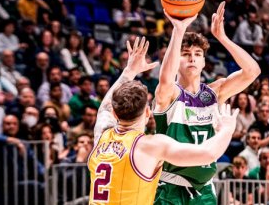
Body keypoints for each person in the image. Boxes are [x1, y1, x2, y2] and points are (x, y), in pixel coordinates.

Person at [89, 37, 240, 205]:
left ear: (115, 114)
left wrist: (129, 71)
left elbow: (104, 109)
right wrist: (227, 129)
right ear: (148, 113)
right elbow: (208, 154)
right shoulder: (149, 146)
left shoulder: (102, 135)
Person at [153, 2, 261, 204]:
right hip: (169, 189)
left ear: (204, 61)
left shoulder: (214, 92)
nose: (192, 59)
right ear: (177, 60)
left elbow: (252, 72)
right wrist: (179, 30)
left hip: (204, 191)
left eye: (197, 54)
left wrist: (222, 37)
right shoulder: (169, 94)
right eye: (186, 54)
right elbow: (166, 79)